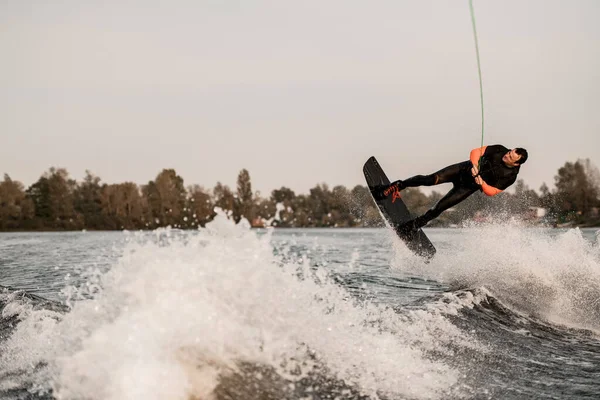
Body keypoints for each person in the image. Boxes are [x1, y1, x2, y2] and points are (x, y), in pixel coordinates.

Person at [374, 145, 528, 234]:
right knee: (430, 179)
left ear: (516, 164)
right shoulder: (500, 149)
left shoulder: (511, 176)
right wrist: (474, 166)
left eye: (510, 158)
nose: (506, 156)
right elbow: (476, 152)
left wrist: (482, 183)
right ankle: (399, 185)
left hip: (468, 187)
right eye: (509, 153)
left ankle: (412, 227)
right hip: (461, 170)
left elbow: (493, 191)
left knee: (439, 208)